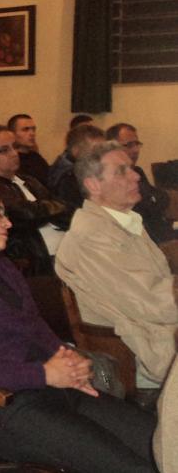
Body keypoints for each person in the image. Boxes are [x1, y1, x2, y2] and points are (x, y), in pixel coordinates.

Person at [0, 181, 157, 473]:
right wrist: (44, 374)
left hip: (54, 388)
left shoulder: (1, 266)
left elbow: (34, 326)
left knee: (160, 440)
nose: (8, 222)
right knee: (129, 466)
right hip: (5, 405)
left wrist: (69, 361)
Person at [56, 141, 177, 389]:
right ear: (93, 185)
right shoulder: (91, 237)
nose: (135, 176)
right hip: (138, 354)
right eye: (121, 171)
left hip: (159, 334)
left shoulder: (122, 223)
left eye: (131, 168)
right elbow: (151, 302)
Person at [0, 125, 68, 276]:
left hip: (64, 253)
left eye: (14, 147)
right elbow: (25, 213)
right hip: (33, 262)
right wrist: (52, 210)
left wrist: (50, 210)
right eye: (4, 150)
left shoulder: (29, 180)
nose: (14, 153)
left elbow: (65, 209)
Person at [106, 123, 175, 242]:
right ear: (112, 148)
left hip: (161, 232)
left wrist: (155, 199)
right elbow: (149, 205)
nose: (136, 150)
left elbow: (160, 199)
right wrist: (154, 199)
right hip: (143, 239)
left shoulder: (137, 171)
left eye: (137, 144)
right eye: (129, 145)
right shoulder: (112, 179)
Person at [48, 124, 104, 218]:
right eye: (95, 150)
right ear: (76, 151)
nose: (101, 155)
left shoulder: (82, 170)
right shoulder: (68, 179)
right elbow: (76, 214)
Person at [8, 113, 50, 187]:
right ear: (12, 134)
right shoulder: (10, 161)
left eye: (33, 129)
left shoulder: (36, 157)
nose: (32, 133)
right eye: (25, 130)